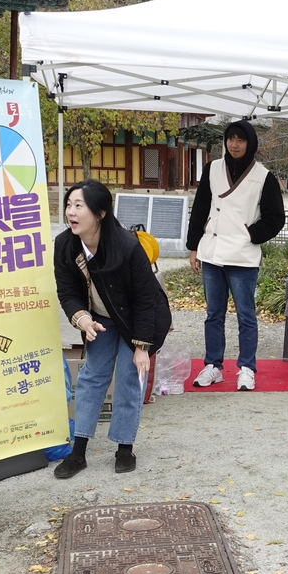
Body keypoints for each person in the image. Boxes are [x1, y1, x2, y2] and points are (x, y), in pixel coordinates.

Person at [54, 179, 171, 478]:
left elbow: (146, 299)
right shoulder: (65, 245)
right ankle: (78, 452)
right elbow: (67, 292)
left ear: (100, 213)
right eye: (69, 205)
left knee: (130, 375)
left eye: (79, 206)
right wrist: (81, 318)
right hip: (102, 319)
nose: (72, 212)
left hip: (137, 319)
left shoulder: (127, 246)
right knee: (92, 376)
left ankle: (124, 447)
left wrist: (142, 347)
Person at [186, 120, 286, 392]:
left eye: (240, 140)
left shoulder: (263, 176)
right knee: (213, 314)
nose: (234, 144)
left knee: (246, 315)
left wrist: (251, 234)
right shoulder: (213, 168)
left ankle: (246, 368)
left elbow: (276, 218)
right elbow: (200, 209)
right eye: (231, 139)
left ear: (250, 143)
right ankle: (213, 366)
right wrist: (194, 246)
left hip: (242, 255)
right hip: (213, 251)